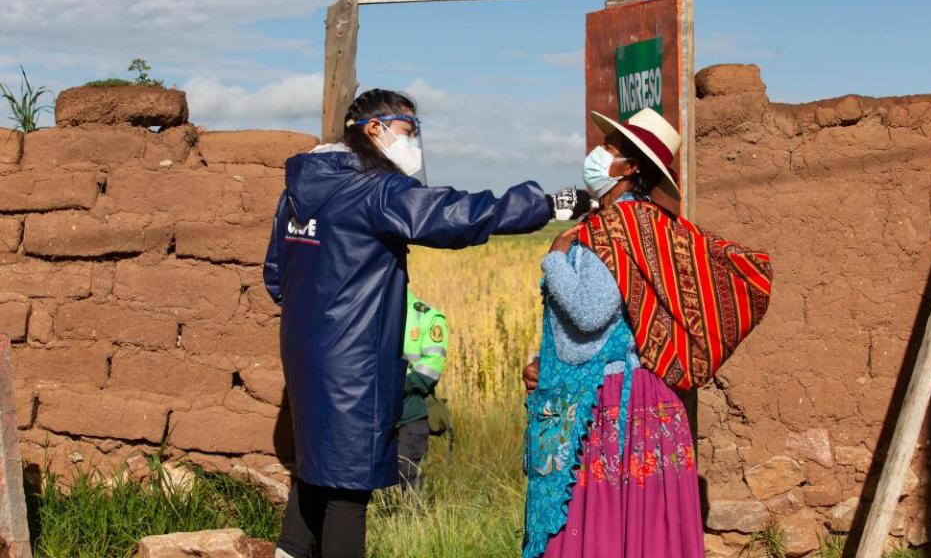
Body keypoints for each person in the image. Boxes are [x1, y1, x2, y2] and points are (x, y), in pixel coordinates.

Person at [263, 88, 591, 558]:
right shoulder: (375, 190)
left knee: (317, 468)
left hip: (304, 353)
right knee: (348, 488)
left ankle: (290, 550)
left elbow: (276, 275)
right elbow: (456, 215)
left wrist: (317, 316)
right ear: (375, 128)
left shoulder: (298, 190)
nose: (413, 141)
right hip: (354, 360)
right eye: (408, 130)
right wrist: (547, 205)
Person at [522, 108, 773, 558]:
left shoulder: (612, 230)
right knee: (642, 531)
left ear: (631, 167)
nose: (596, 155)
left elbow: (590, 312)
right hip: (650, 399)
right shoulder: (653, 227)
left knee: (596, 527)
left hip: (613, 402)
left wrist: (556, 258)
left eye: (609, 149)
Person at [397, 289, 448, 491]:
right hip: (370, 412)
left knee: (406, 472)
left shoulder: (427, 317)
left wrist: (391, 386)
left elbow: (430, 371)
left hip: (410, 410)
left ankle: (411, 521)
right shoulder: (367, 311)